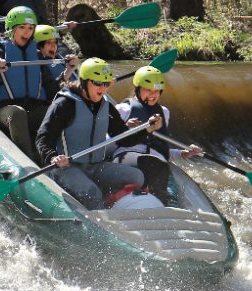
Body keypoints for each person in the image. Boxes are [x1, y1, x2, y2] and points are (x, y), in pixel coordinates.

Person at [35, 58, 159, 210]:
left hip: (95, 166)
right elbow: (43, 137)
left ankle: (112, 204)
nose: (102, 88)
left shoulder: (106, 106)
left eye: (106, 83)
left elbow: (123, 138)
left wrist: (147, 129)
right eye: (98, 83)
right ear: (84, 81)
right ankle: (98, 218)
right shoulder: (65, 104)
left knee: (137, 177)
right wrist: (53, 157)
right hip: (65, 168)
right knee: (92, 193)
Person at [0, 7, 78, 161]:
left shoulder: (38, 55)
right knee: (17, 114)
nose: (27, 32)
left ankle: (61, 157)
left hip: (33, 107)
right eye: (22, 27)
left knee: (56, 112)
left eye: (30, 28)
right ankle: (27, 161)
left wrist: (68, 71)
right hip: (3, 109)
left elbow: (52, 90)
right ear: (11, 29)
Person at [111, 66, 202, 205]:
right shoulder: (123, 109)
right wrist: (125, 128)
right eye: (148, 90)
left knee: (169, 188)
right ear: (138, 88)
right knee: (154, 166)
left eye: (157, 91)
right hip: (127, 159)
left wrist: (182, 153)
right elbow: (108, 142)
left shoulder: (164, 112)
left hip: (156, 164)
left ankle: (168, 208)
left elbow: (159, 147)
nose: (153, 95)